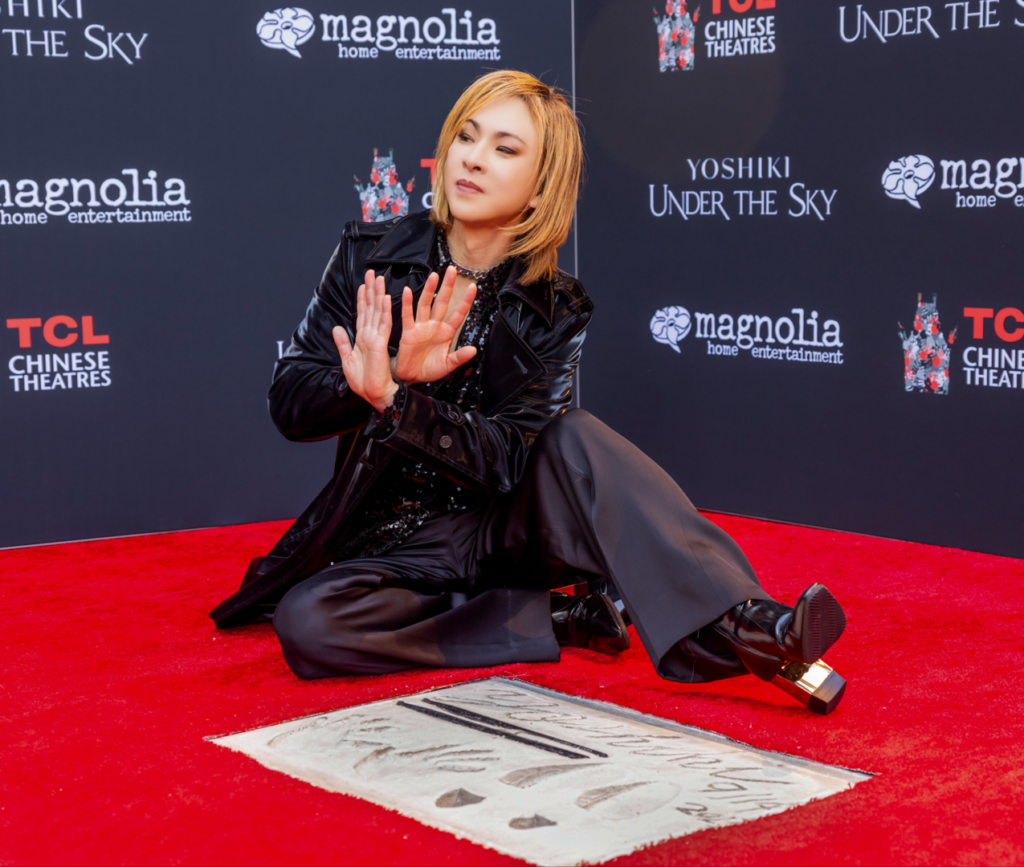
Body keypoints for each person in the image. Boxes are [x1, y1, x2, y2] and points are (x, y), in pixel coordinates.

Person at [210, 70, 849, 715]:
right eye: (467, 135)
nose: (474, 158)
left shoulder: (557, 307)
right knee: (309, 626)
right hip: (390, 545)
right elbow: (290, 402)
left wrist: (403, 405)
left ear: (542, 186)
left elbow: (515, 457)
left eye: (505, 148)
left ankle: (751, 620)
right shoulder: (369, 258)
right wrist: (383, 381)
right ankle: (567, 622)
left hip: (501, 533)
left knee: (577, 437)